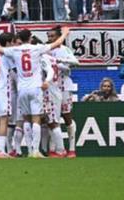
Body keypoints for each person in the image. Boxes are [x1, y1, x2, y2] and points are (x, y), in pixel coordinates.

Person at [0, 27, 70, 158]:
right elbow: (57, 44)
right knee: (36, 118)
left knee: (25, 118)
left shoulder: (14, 50)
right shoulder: (37, 48)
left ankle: (29, 150)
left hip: (22, 89)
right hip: (36, 87)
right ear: (30, 38)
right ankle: (35, 150)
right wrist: (64, 34)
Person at [47, 26, 79, 157]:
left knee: (67, 117)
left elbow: (76, 62)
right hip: (50, 88)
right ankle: (54, 148)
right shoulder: (46, 50)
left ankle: (72, 148)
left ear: (59, 37)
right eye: (48, 36)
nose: (50, 39)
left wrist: (60, 62)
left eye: (52, 36)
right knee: (52, 119)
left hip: (64, 87)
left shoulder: (65, 50)